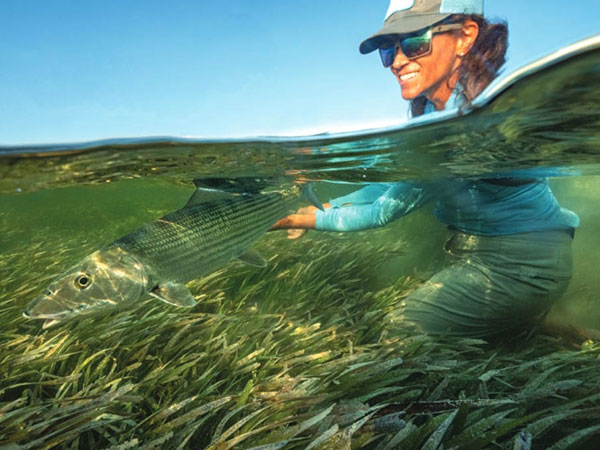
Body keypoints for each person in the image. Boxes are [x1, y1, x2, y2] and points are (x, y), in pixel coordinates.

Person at [271, 0, 579, 339]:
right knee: (498, 328)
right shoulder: (433, 113)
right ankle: (537, 325)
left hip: (522, 266)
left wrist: (296, 219)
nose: (398, 62)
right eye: (389, 51)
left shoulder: (468, 123)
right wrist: (324, 206)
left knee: (401, 332)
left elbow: (380, 213)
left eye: (415, 42)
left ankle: (524, 322)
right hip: (502, 256)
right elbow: (384, 186)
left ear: (465, 37)